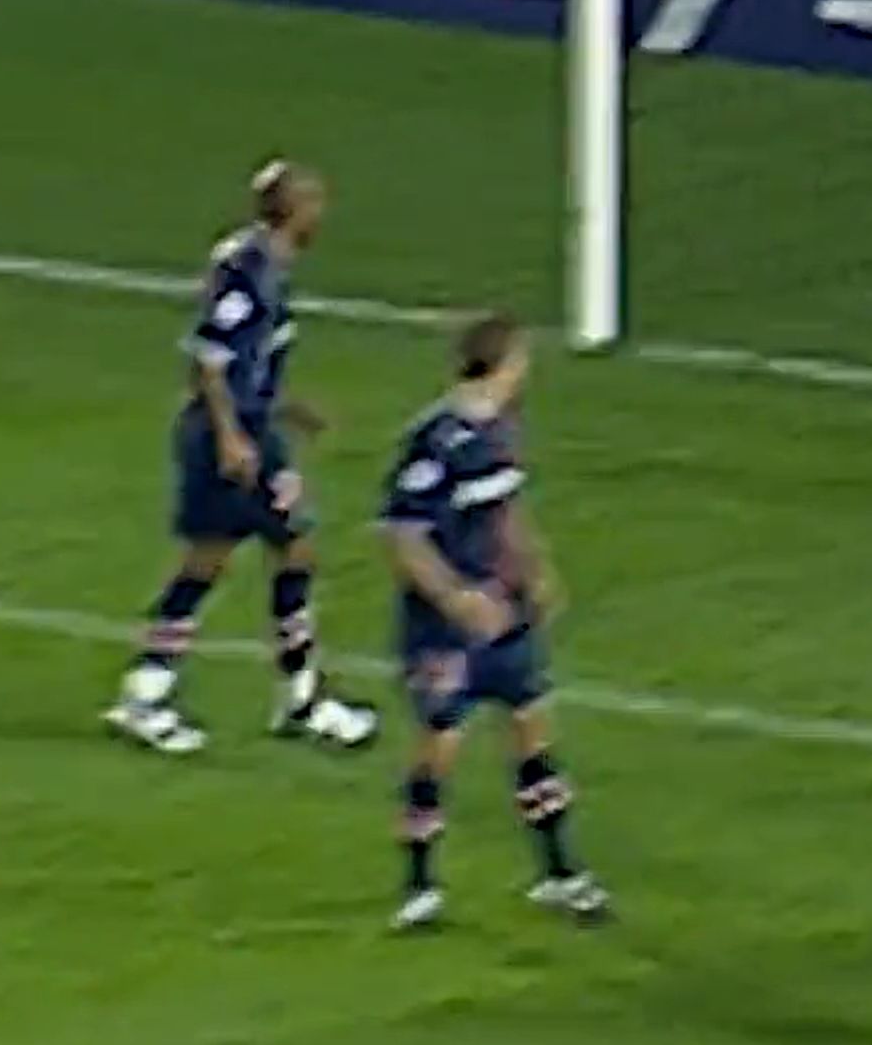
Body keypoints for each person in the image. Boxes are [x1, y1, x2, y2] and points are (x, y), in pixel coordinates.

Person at [104, 162, 381, 757]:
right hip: (222, 437)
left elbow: (246, 365)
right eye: (315, 202)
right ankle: (147, 694)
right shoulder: (249, 270)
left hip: (253, 431)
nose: (322, 214)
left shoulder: (269, 266)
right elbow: (208, 357)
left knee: (292, 548)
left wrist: (286, 408)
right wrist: (231, 437)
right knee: (212, 559)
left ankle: (298, 696)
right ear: (293, 210)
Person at [381, 313, 609, 932]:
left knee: (533, 734)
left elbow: (506, 511)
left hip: (505, 618)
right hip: (445, 631)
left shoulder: (503, 432)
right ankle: (419, 885)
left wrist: (535, 570)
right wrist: (456, 599)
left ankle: (560, 874)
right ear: (505, 363)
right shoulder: (436, 439)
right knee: (440, 749)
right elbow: (401, 535)